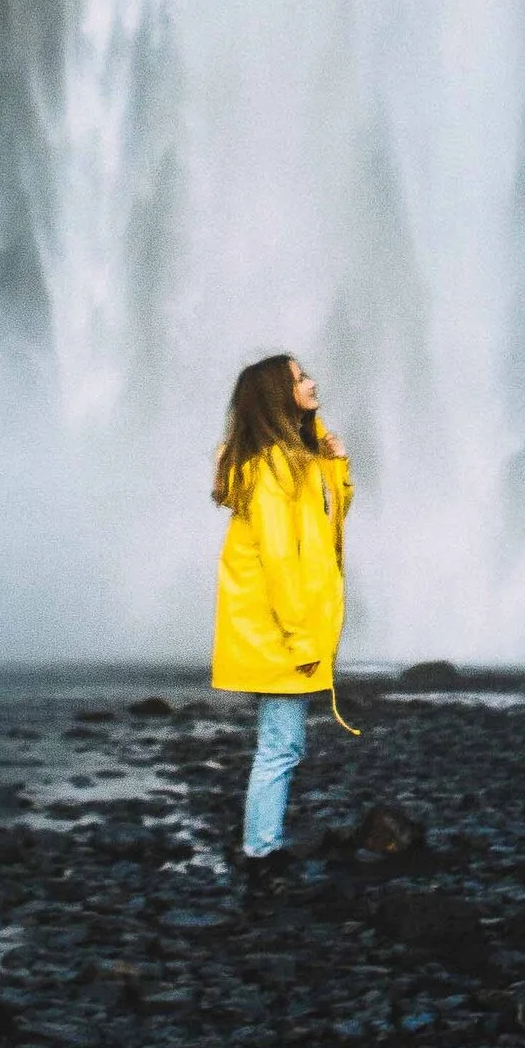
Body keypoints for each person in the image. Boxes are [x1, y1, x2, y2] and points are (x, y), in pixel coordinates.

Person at [209, 352, 355, 890]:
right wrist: (298, 636)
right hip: (279, 631)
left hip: (289, 627)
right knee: (281, 744)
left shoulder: (298, 459)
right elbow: (279, 556)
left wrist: (337, 467)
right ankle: (260, 851)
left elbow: (328, 526)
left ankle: (263, 843)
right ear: (276, 395)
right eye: (299, 378)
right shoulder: (272, 465)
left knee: (282, 742)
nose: (313, 383)